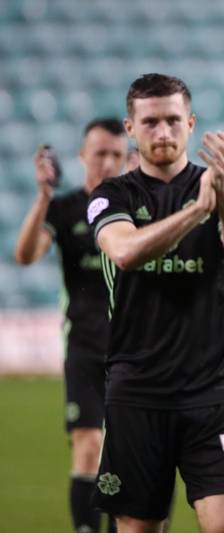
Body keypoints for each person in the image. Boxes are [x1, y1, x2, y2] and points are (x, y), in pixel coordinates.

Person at [87, 73, 224, 533]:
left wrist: (223, 196)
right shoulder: (113, 195)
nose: (162, 132)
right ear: (130, 128)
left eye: (171, 120)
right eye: (150, 122)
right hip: (137, 393)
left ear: (190, 123)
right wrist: (194, 213)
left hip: (214, 391)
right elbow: (125, 252)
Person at [14, 118, 128, 533]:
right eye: (100, 153)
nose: (108, 162)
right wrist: (43, 195)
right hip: (83, 347)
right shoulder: (63, 209)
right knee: (89, 445)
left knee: (133, 454)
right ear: (83, 155)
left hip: (137, 350)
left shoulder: (136, 206)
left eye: (117, 154)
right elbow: (26, 254)